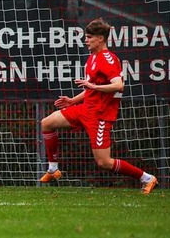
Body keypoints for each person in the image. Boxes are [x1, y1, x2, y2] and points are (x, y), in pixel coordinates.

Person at [38, 18, 158, 194]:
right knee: (47, 123)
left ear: (100, 38)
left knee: (104, 162)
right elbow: (91, 89)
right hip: (85, 109)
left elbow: (118, 86)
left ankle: (147, 178)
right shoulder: (93, 57)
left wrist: (93, 87)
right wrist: (73, 101)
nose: (86, 40)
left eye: (89, 37)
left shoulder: (108, 59)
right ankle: (53, 169)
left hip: (99, 115)